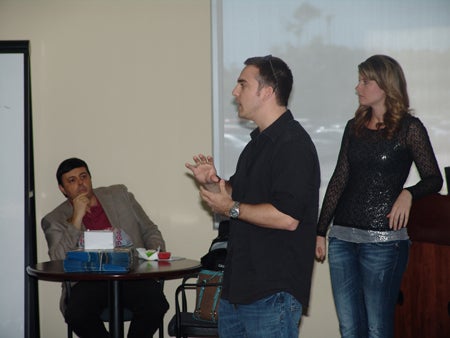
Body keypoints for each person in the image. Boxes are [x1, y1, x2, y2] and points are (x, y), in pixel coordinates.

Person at [186, 55, 320, 338]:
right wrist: (213, 183)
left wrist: (231, 208)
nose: (235, 92)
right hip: (237, 289)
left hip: (272, 293)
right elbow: (234, 193)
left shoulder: (293, 145)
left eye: (242, 84)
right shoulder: (257, 143)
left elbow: (287, 218)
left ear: (267, 92)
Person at [315, 55, 443, 338]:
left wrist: (409, 193)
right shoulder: (354, 127)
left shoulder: (410, 128)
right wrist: (320, 230)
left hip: (384, 244)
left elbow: (434, 178)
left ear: (384, 85)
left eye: (364, 81)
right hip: (342, 240)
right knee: (350, 329)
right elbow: (340, 178)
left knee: (377, 329)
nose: (357, 87)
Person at [42, 157, 169, 338]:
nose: (80, 183)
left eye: (83, 176)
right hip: (87, 281)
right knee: (77, 314)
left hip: (131, 274)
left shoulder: (119, 195)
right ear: (62, 189)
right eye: (72, 180)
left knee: (156, 304)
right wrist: (76, 219)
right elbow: (58, 260)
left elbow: (150, 231)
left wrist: (152, 259)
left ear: (90, 178)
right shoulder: (54, 219)